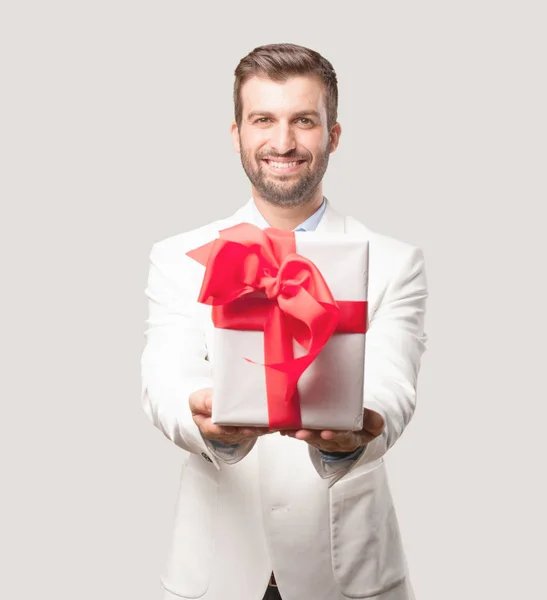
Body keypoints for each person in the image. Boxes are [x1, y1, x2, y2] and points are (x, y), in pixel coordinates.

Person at [141, 43, 428, 600]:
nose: (283, 142)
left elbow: (393, 379)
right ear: (237, 134)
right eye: (263, 120)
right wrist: (199, 419)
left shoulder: (394, 260)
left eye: (304, 121)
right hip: (216, 569)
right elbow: (164, 376)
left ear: (333, 135)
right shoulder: (180, 256)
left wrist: (355, 433)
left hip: (349, 571)